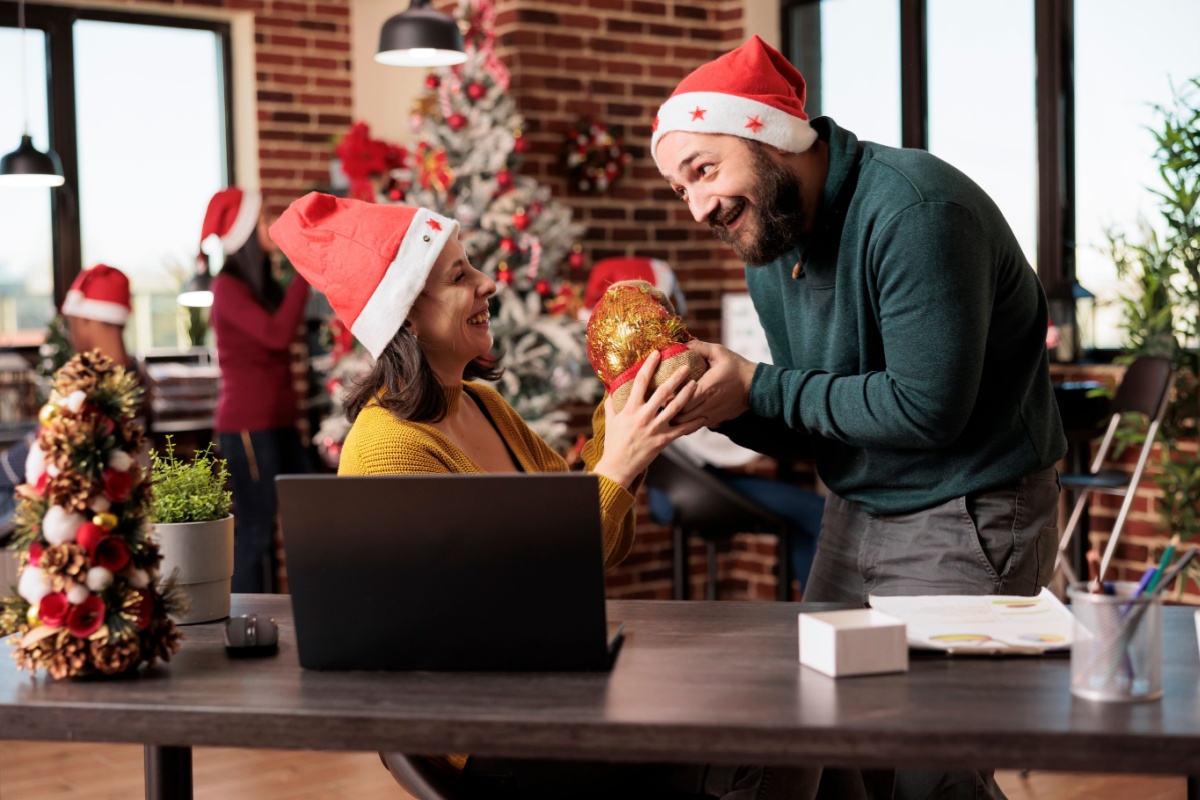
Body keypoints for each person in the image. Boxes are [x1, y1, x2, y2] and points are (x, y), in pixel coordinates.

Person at [270, 191, 834, 800]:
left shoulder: (480, 404)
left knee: (811, 734)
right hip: (494, 733)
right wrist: (619, 461)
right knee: (777, 754)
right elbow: (526, 596)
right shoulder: (387, 451)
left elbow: (591, 539)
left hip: (555, 692)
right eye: (461, 275)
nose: (488, 283)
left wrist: (627, 415)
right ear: (404, 316)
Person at [653, 36, 1067, 800]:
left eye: (704, 170)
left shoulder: (915, 210)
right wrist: (720, 407)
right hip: (856, 505)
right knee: (832, 744)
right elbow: (817, 409)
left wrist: (762, 386)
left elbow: (925, 409)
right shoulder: (772, 241)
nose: (700, 206)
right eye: (681, 190)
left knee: (929, 773)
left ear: (768, 134)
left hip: (967, 502)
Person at [582, 256, 824, 592]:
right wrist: (742, 398)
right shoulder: (668, 374)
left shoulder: (617, 388)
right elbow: (724, 451)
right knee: (817, 513)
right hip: (703, 487)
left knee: (804, 517)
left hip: (673, 490)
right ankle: (816, 611)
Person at [203, 187, 312, 593]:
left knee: (312, 514)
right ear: (248, 231)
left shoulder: (258, 283)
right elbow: (278, 334)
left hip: (279, 424)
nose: (274, 225)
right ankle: (249, 625)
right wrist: (303, 268)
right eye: (265, 219)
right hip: (248, 428)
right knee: (256, 534)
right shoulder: (226, 287)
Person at [2, 264, 136, 529]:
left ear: (87, 319)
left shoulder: (90, 384)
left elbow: (44, 446)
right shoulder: (136, 375)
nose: (70, 332)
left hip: (69, 511)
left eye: (70, 323)